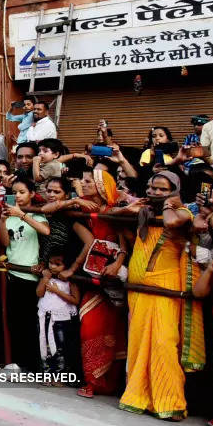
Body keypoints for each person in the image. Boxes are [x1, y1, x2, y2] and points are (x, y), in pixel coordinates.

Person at [119, 171, 206, 419]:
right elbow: (114, 214)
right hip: (139, 292)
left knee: (163, 343)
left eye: (161, 189)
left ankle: (171, 402)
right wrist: (131, 208)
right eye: (151, 187)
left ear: (175, 190)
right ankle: (138, 396)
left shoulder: (183, 213)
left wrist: (169, 203)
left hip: (165, 289)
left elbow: (170, 223)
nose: (153, 192)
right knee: (138, 343)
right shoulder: (145, 211)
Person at [75, 169, 130, 399]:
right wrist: (76, 199)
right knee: (89, 326)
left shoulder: (113, 209)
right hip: (92, 272)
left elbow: (124, 241)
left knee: (113, 331)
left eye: (88, 182)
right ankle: (92, 380)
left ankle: (109, 383)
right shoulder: (83, 207)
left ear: (100, 186)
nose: (83, 184)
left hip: (111, 275)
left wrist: (117, 264)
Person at [0, 177, 50, 371]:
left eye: (22, 192)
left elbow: (45, 231)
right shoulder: (10, 215)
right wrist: (4, 221)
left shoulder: (36, 215)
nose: (18, 196)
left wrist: (22, 215)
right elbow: (6, 243)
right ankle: (18, 363)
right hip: (12, 272)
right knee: (14, 320)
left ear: (31, 193)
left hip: (29, 275)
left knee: (29, 322)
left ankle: (32, 366)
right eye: (15, 193)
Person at [36, 251, 79, 379]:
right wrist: (45, 279)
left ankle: (60, 376)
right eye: (50, 263)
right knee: (44, 344)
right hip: (46, 316)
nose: (52, 266)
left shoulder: (70, 281)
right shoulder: (48, 277)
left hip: (62, 319)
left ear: (66, 266)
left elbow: (75, 300)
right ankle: (47, 373)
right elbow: (39, 293)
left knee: (61, 348)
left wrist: (57, 291)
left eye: (57, 264)